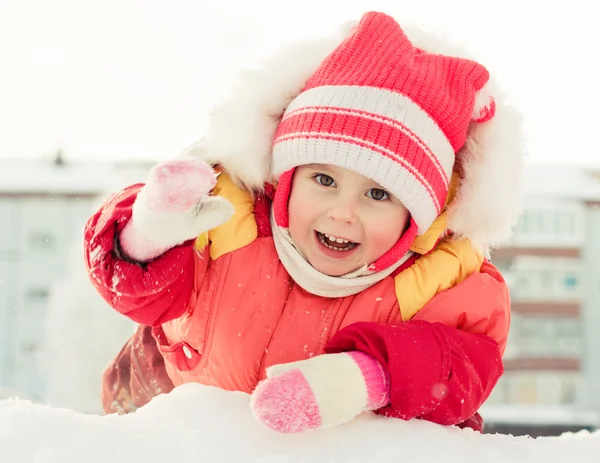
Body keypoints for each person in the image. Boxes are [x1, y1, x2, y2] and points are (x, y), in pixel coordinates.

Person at [84, 11, 523, 433]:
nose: (343, 212)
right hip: (169, 422)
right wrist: (149, 232)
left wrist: (363, 379)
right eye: (324, 179)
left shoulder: (440, 279)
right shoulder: (228, 223)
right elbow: (137, 291)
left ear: (414, 219)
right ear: (286, 179)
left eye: (378, 194)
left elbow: (461, 367)